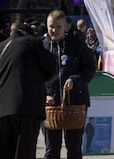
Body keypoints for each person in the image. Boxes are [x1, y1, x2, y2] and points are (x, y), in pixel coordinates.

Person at [0, 23, 56, 159]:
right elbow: (52, 67)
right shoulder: (32, 43)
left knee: (4, 153)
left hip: (3, 109)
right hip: (28, 108)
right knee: (24, 152)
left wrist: (0, 82)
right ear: (28, 34)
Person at [42, 10, 95, 159]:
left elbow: (90, 69)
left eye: (58, 27)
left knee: (74, 149)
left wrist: (75, 80)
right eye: (51, 26)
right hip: (50, 105)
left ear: (65, 26)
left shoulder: (77, 45)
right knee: (51, 149)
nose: (54, 30)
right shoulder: (41, 46)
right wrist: (42, 95)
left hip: (75, 104)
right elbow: (33, 76)